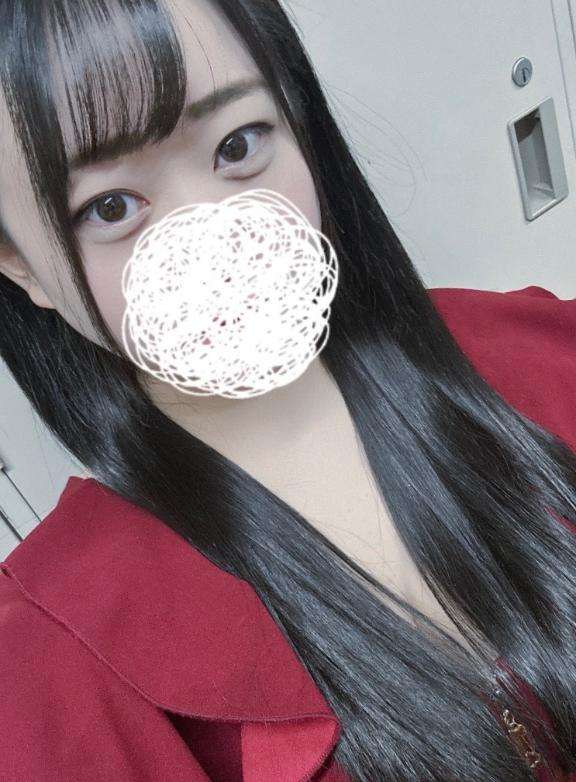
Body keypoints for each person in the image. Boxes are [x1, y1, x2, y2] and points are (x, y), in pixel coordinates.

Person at [0, 1, 575, 779]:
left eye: (237, 145)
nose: (220, 242)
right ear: (21, 262)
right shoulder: (54, 662)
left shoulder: (532, 345)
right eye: (111, 207)